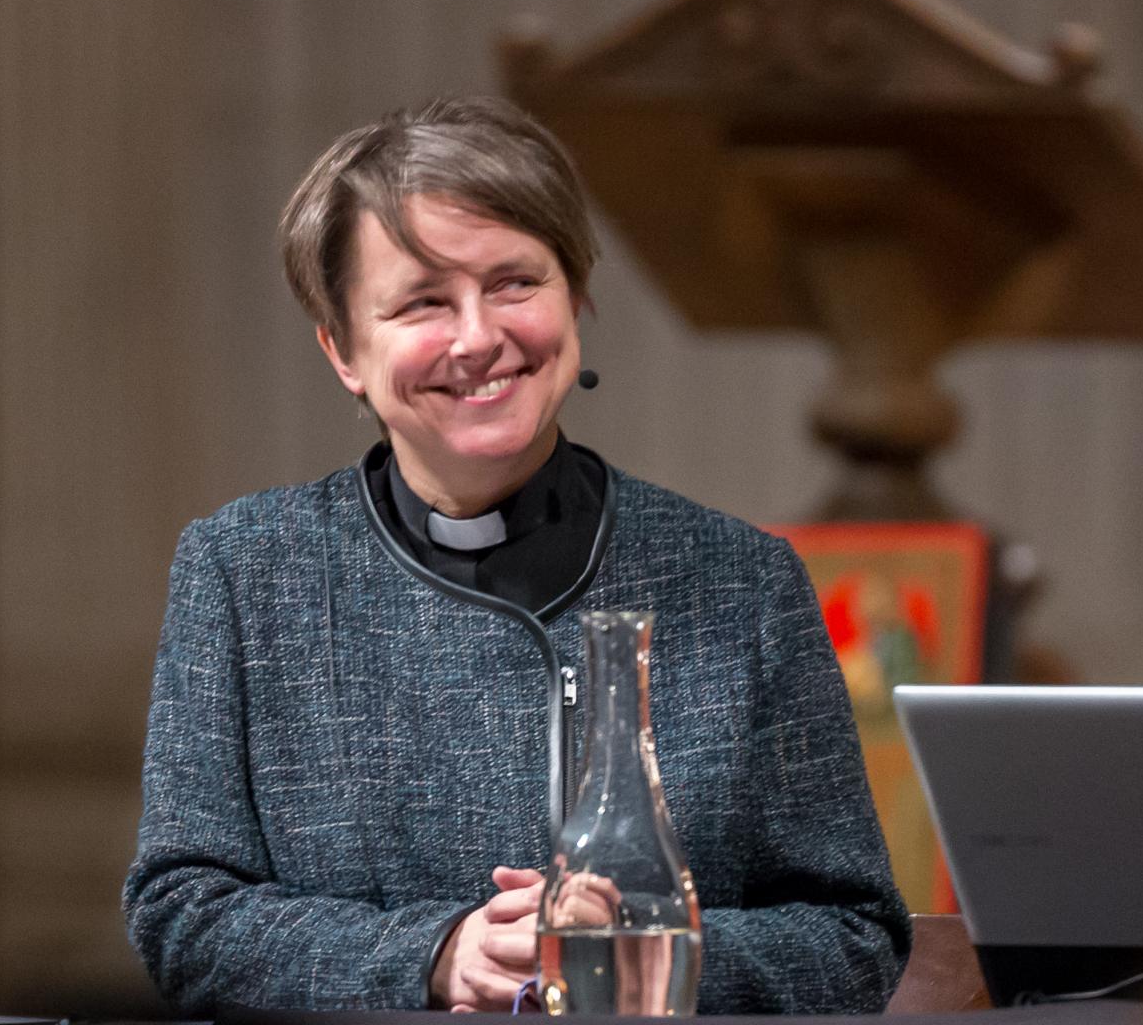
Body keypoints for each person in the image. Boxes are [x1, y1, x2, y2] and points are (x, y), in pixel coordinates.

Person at [123, 96, 910, 1014]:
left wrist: (642, 952)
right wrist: (434, 953)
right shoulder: (245, 573)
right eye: (422, 301)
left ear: (575, 297)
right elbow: (183, 917)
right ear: (343, 349)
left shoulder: (742, 581)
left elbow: (853, 938)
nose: (477, 337)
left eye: (514, 283)